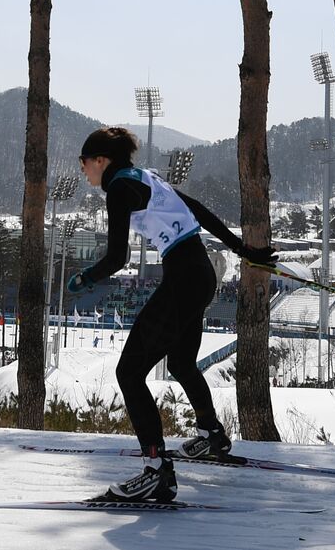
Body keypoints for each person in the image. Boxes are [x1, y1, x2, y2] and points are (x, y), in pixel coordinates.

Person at [66, 127, 276, 503]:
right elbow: (198, 211)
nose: (83, 171)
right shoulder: (146, 177)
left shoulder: (118, 187)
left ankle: (157, 470)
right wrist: (244, 249)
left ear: (101, 159)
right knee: (180, 363)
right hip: (199, 274)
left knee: (129, 373)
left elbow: (118, 258)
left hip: (183, 277)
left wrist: (85, 277)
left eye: (84, 163)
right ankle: (212, 434)